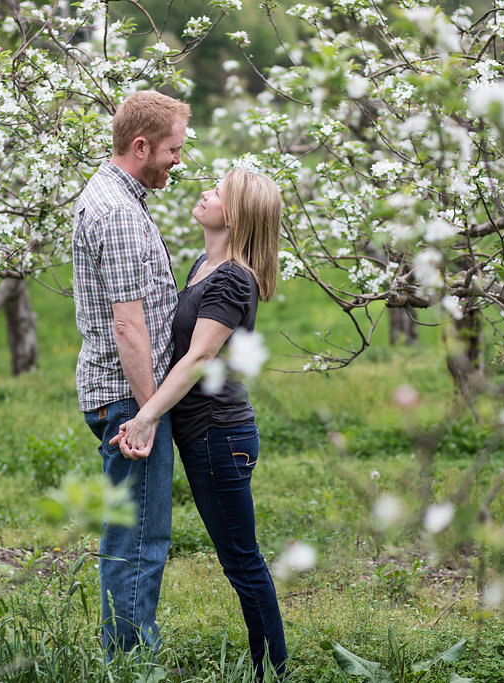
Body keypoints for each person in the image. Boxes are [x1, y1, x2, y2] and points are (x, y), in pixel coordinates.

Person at [111, 168, 288, 677]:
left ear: (237, 214)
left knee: (241, 559)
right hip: (206, 433)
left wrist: (146, 417)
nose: (206, 192)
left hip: (219, 434)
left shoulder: (232, 277)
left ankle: (272, 671)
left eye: (219, 191)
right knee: (239, 557)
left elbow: (198, 358)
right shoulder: (202, 265)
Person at [71, 90, 189, 658]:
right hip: (128, 398)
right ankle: (131, 661)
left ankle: (124, 652)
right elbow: (129, 328)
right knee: (140, 538)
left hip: (121, 395)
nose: (179, 160)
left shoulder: (116, 196)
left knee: (132, 532)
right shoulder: (118, 212)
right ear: (140, 146)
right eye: (173, 149)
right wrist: (149, 413)